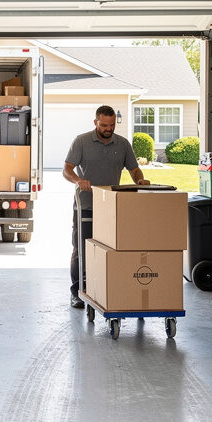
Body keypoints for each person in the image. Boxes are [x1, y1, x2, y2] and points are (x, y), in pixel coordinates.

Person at [63, 105, 150, 309]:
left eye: (111, 125)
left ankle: (107, 289)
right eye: (104, 125)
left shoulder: (123, 144)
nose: (108, 129)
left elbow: (134, 169)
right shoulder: (81, 141)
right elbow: (66, 169)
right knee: (81, 249)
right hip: (86, 205)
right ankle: (77, 291)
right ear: (96, 122)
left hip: (113, 208)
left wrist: (139, 180)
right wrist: (77, 180)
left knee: (111, 250)